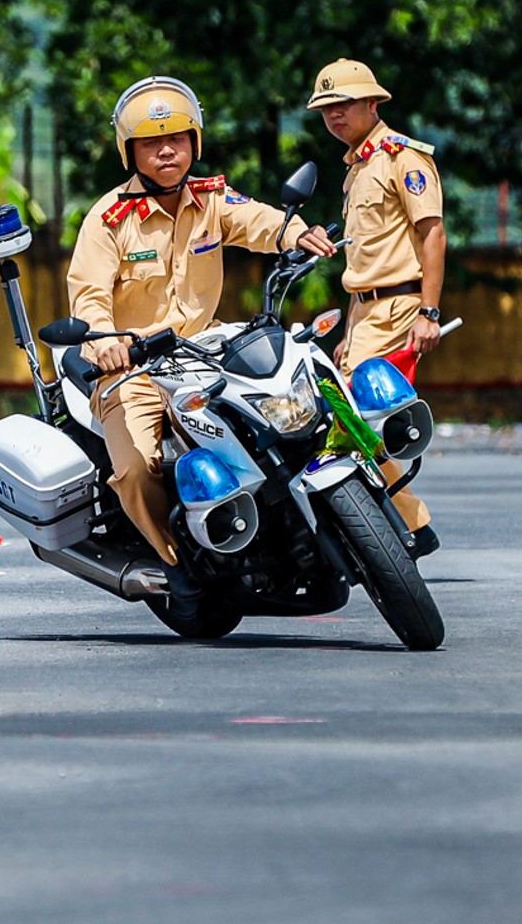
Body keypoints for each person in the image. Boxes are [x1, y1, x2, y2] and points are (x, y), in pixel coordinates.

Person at [67, 76, 333, 614]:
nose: (167, 151)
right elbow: (88, 296)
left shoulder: (211, 200)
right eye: (150, 143)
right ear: (130, 152)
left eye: (178, 139)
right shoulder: (108, 220)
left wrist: (295, 232)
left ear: (195, 142)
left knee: (286, 414)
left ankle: (299, 525)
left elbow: (257, 220)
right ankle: (174, 564)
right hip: (132, 368)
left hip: (204, 354)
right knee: (137, 469)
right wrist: (108, 342)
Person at [299, 57, 443, 558]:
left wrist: (429, 312)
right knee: (350, 423)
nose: (334, 116)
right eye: (326, 109)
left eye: (344, 105)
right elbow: (365, 254)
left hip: (399, 307)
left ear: (372, 103)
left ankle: (406, 526)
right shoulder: (359, 166)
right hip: (366, 311)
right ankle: (406, 525)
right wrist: (351, 325)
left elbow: (432, 234)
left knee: (354, 422)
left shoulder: (402, 157)